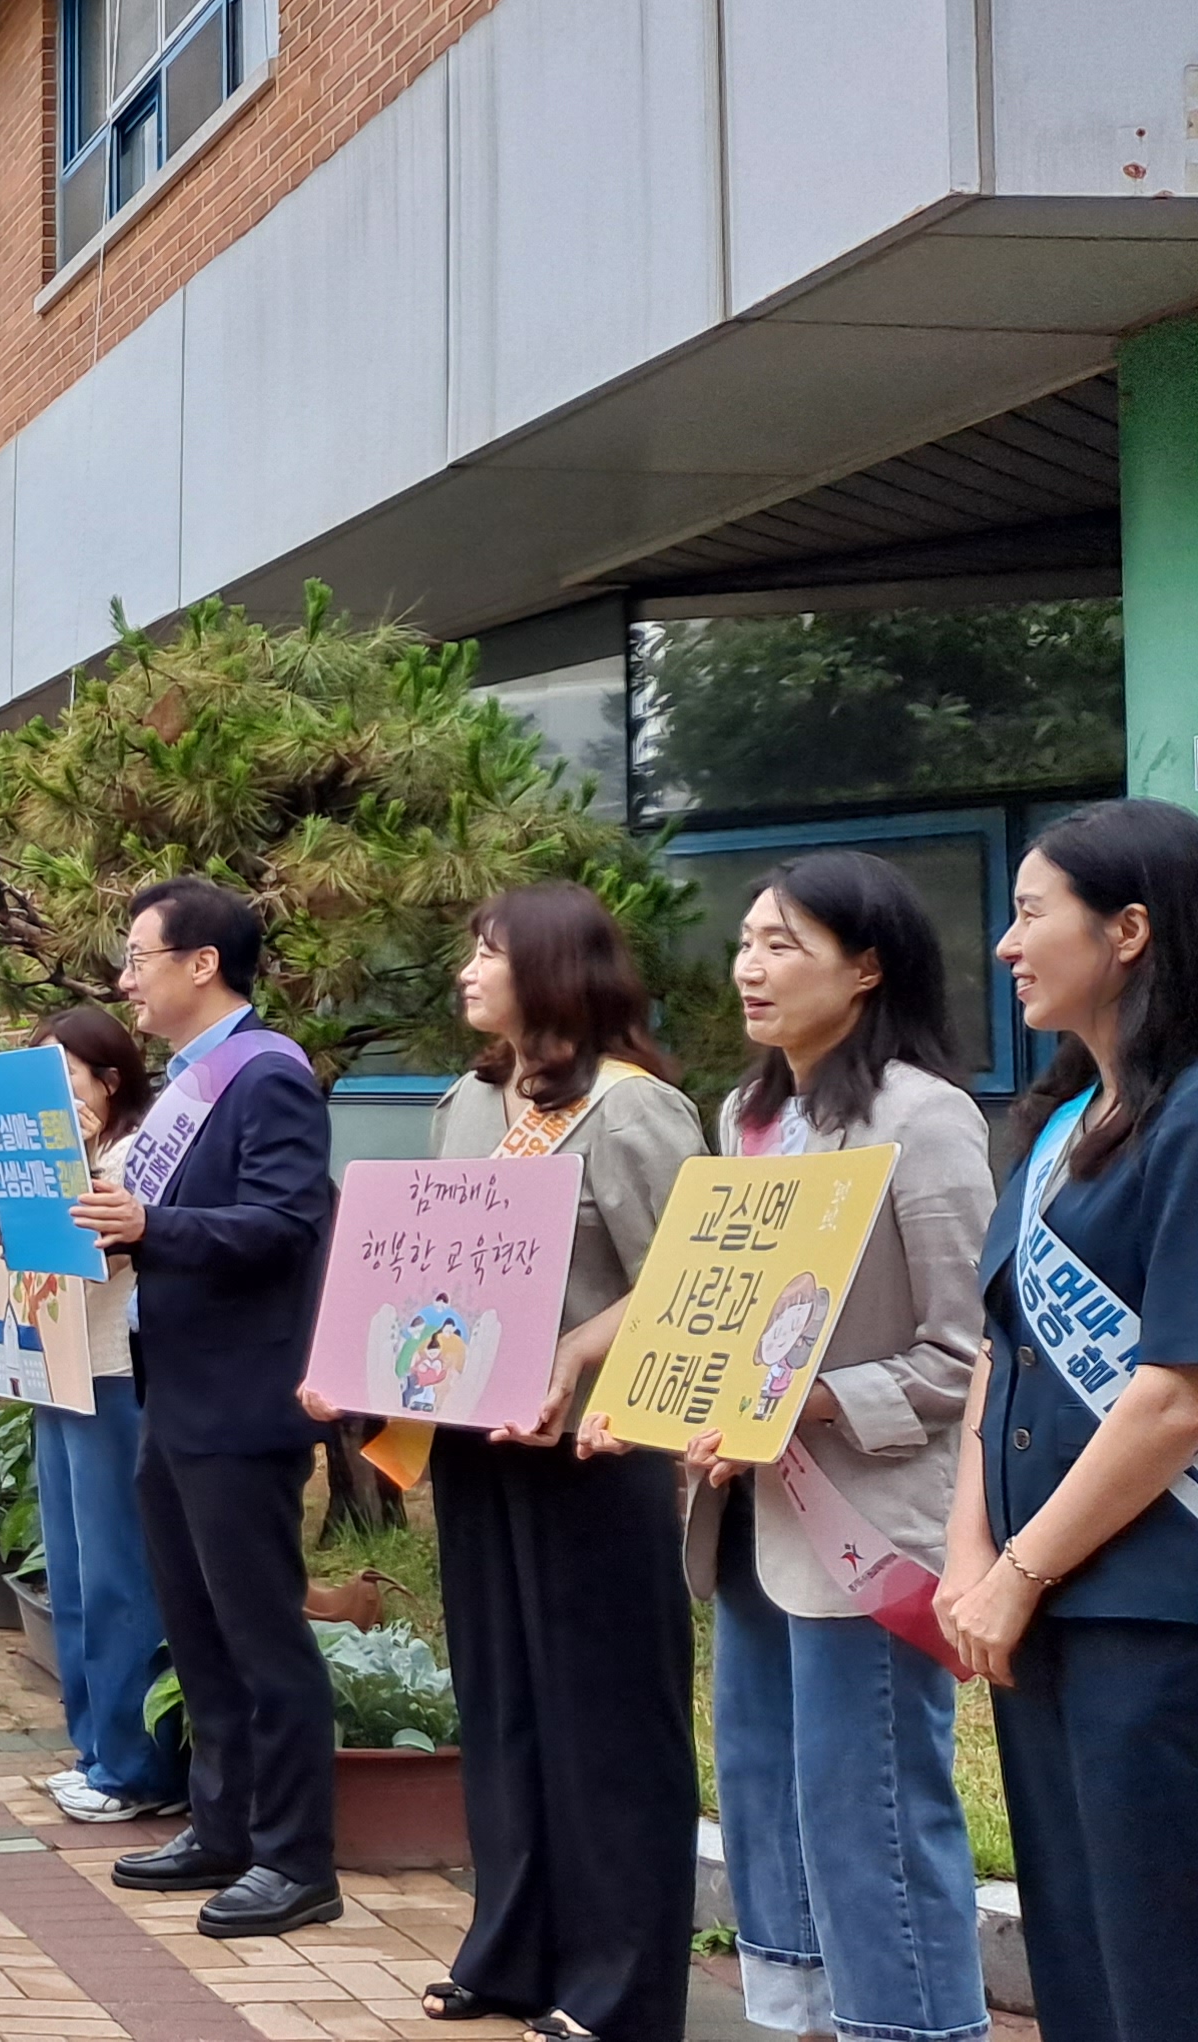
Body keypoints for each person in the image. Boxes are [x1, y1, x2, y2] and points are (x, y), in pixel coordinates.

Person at [324, 884, 704, 2037]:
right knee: (504, 1708)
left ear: (549, 968)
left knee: (606, 1723)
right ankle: (511, 1950)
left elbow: (682, 1284)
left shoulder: (639, 1113)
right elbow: (427, 1274)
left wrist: (579, 1369)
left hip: (594, 1455)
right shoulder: (468, 1101)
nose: (464, 973)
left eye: (485, 953)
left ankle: (620, 1985)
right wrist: (356, 1361)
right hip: (479, 1451)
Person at [645, 852, 990, 2042]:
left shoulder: (922, 1118)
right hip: (746, 1521)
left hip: (861, 1532)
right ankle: (804, 2016)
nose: (749, 965)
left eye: (784, 943)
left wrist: (810, 1403)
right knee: (767, 1798)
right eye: (745, 939)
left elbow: (962, 1357)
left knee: (873, 1813)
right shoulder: (744, 1118)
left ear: (868, 966)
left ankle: (915, 2027)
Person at [941, 800, 1198, 2040]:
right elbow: (1002, 1351)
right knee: (1078, 1940)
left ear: (1131, 930)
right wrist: (969, 1557)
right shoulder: (1050, 1126)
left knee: (1160, 1941)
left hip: (1151, 1602)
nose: (1005, 941)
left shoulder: (1193, 1118)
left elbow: (1173, 1397)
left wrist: (1021, 1566)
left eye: (1032, 910)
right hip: (1039, 1601)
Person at [69, 875, 340, 1940]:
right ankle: (222, 1827)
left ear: (200, 964)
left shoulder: (266, 1077)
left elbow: (282, 1224)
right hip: (175, 1389)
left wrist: (148, 1229)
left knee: (262, 1634)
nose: (123, 980)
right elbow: (147, 1220)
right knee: (199, 1628)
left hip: (240, 1400)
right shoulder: (188, 1085)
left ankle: (297, 1858)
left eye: (138, 957)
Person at [16, 1006, 186, 1828]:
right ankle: (95, 1749)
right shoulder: (64, 1155)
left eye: (66, 1074)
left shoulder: (131, 1153)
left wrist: (75, 1158)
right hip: (61, 1367)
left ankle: (135, 1765)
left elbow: (97, 1243)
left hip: (114, 1376)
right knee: (77, 1574)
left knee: (119, 1574)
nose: (52, 1090)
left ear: (109, 1081)